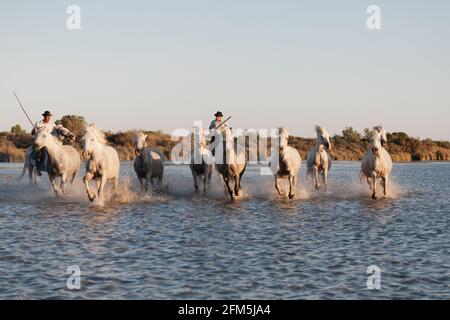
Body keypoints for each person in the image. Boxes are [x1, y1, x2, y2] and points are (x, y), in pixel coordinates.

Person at [30, 111, 58, 176]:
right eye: (47, 116)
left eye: (49, 116)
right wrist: (34, 131)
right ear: (44, 116)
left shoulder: (53, 124)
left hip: (51, 142)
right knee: (38, 154)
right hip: (40, 143)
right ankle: (38, 169)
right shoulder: (38, 124)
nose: (49, 118)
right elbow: (32, 133)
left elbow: (56, 132)